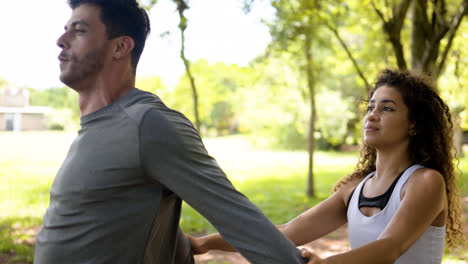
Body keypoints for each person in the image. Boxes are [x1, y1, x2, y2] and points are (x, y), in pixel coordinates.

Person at [33, 1, 307, 263]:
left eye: (78, 30)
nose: (61, 39)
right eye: (66, 29)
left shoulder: (148, 123)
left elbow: (241, 222)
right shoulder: (97, 126)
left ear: (120, 47)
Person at [188, 69, 465, 264]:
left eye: (387, 108)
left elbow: (390, 247)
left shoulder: (425, 182)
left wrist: (329, 263)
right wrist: (207, 242)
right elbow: (286, 233)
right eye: (370, 107)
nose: (372, 115)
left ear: (414, 124)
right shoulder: (354, 189)